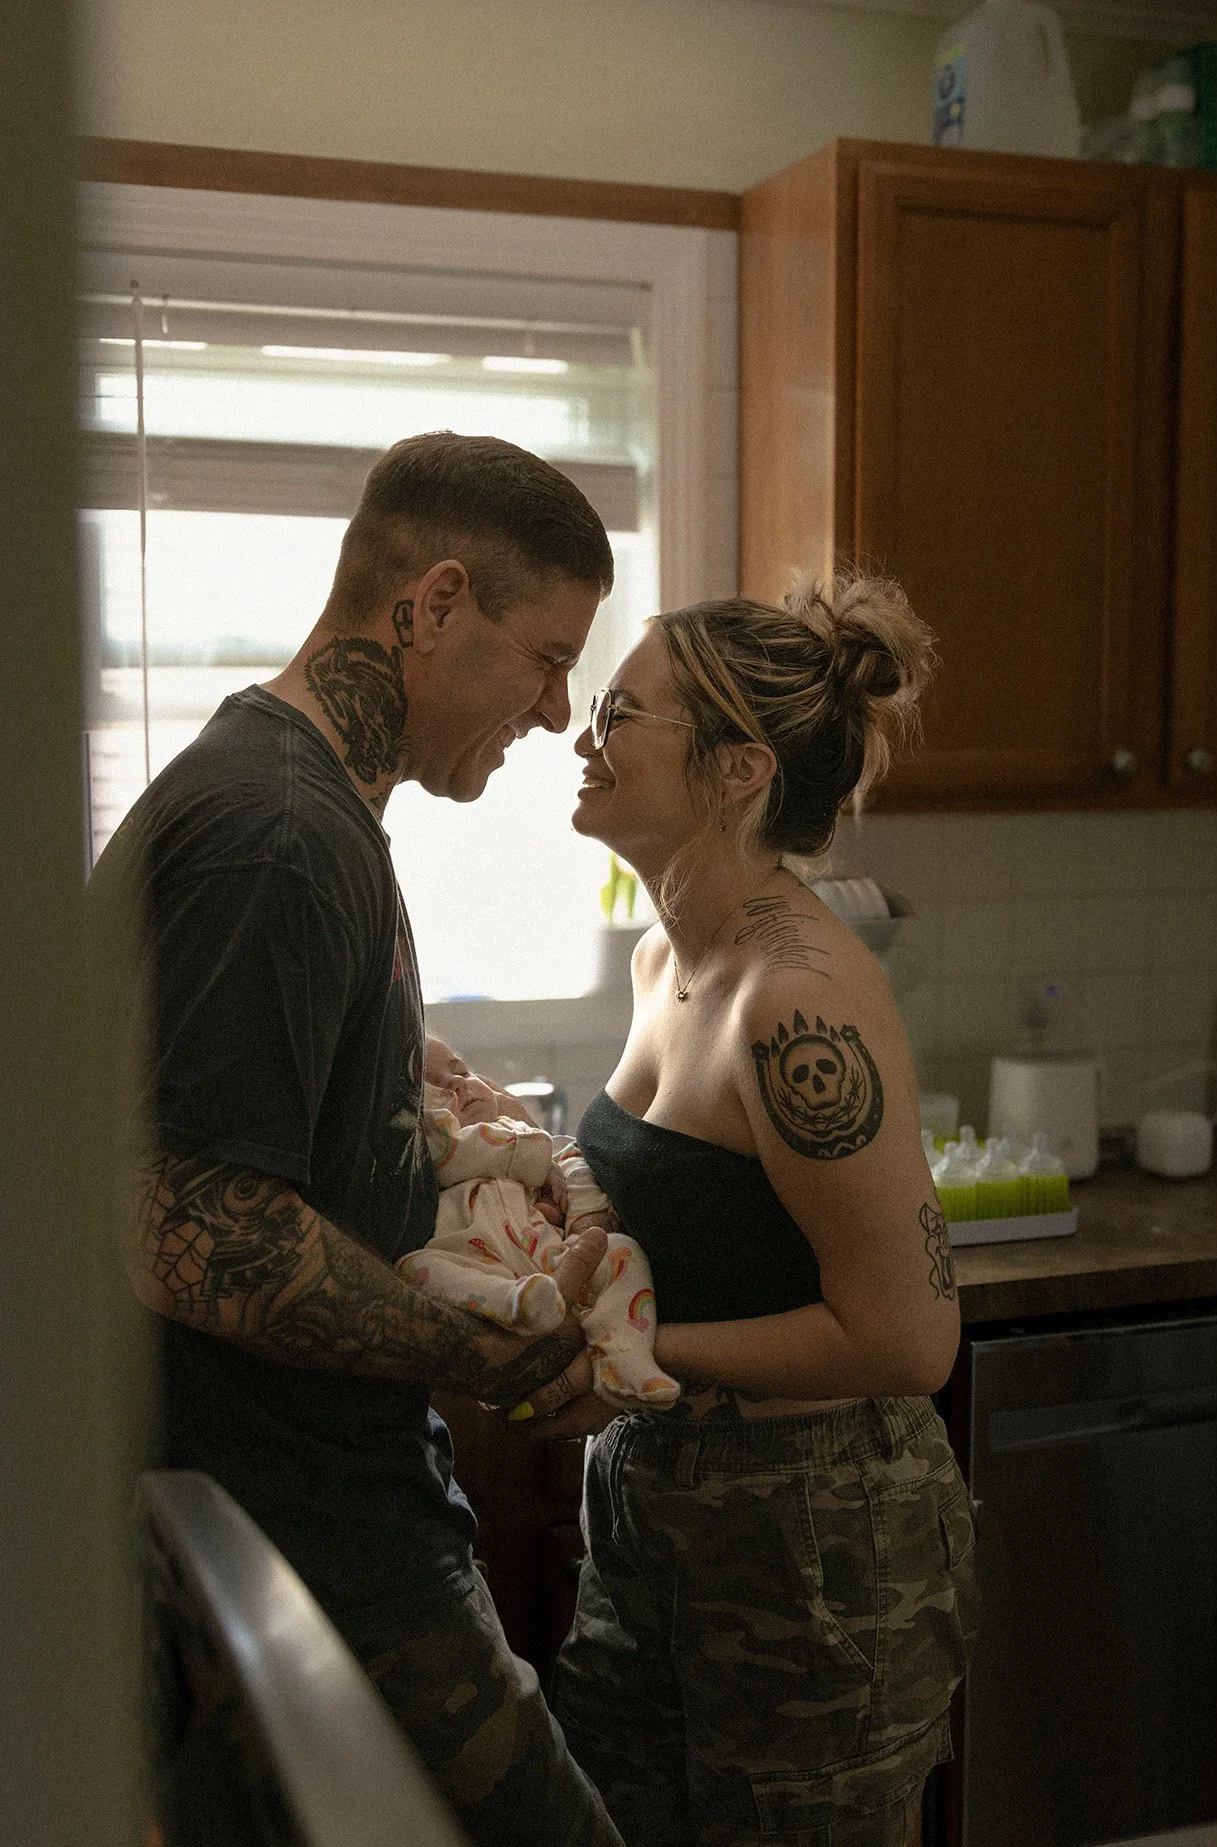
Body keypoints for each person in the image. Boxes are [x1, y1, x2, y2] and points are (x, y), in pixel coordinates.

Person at [87, 432, 627, 1847]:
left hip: (318, 1516)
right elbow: (191, 1228)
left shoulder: (311, 807)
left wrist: (435, 1098)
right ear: (435, 603)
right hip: (297, 1536)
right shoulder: (275, 833)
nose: (558, 706)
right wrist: (493, 1351)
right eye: (546, 654)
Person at [525, 576, 978, 1846]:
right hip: (652, 1511)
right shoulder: (663, 953)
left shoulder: (798, 996)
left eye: (622, 710)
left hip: (813, 1542)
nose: (583, 733)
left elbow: (905, 1339)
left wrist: (637, 1352)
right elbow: (677, 1191)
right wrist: (525, 1174)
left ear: (735, 769)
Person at [407, 1039, 680, 1408]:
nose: (457, 1085)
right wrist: (528, 1154)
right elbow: (453, 1152)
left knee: (621, 1251)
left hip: (551, 1257)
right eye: (434, 1087)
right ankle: (515, 1303)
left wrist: (584, 1225)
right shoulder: (434, 1148)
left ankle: (625, 1357)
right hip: (477, 1267)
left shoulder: (522, 1132)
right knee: (419, 1269)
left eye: (461, 1071)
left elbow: (573, 1167)